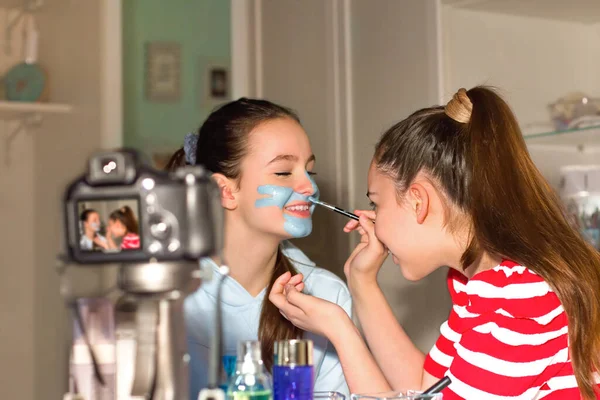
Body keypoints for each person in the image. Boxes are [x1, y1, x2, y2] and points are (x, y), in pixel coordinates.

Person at [269, 87, 600, 399]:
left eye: (376, 204)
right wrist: (362, 283)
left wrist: (338, 329)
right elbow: (422, 388)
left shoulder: (515, 299)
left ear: (418, 201)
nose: (372, 220)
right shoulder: (481, 289)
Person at [166, 98, 351, 399]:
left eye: (310, 171)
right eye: (283, 172)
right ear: (225, 191)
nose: (310, 188)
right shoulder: (164, 295)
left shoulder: (328, 295)